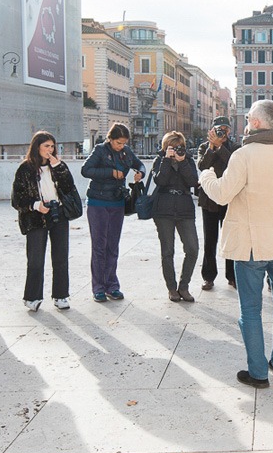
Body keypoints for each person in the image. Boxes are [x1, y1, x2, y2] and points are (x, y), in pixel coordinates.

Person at [199, 100, 273, 388]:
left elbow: (222, 194)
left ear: (259, 123)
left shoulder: (244, 155)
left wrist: (206, 175)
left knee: (250, 311)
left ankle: (257, 373)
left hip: (251, 245)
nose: (247, 121)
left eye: (249, 117)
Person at [11, 131, 78, 312]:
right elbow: (16, 199)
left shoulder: (58, 165)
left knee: (61, 257)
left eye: (52, 146)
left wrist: (59, 168)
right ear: (37, 147)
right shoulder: (25, 169)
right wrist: (35, 205)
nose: (50, 150)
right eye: (46, 146)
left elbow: (69, 188)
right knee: (35, 259)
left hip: (59, 213)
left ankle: (61, 295)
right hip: (35, 217)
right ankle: (32, 297)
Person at [81, 123, 145, 302]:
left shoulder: (126, 152)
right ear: (110, 139)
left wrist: (140, 172)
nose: (121, 146)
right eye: (118, 143)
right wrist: (110, 172)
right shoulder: (100, 150)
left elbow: (140, 164)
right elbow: (86, 170)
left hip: (117, 202)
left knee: (113, 246)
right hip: (98, 202)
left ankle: (112, 285)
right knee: (99, 246)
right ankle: (98, 287)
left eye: (124, 143)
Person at [151, 131, 200, 302]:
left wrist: (183, 162)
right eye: (172, 147)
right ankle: (172, 288)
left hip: (185, 208)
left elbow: (193, 181)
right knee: (167, 251)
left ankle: (184, 286)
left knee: (193, 249)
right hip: (163, 210)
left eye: (180, 147)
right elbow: (160, 181)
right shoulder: (159, 160)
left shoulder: (188, 160)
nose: (177, 150)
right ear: (166, 147)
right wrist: (166, 159)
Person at [196, 116, 240, 291]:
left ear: (229, 131)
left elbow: (233, 164)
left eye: (224, 129)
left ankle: (232, 276)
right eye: (218, 129)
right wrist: (212, 148)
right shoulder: (203, 147)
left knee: (230, 239)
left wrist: (220, 147)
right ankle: (208, 277)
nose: (222, 132)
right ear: (211, 130)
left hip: (229, 199)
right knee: (210, 240)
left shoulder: (235, 148)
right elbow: (202, 166)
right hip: (209, 200)